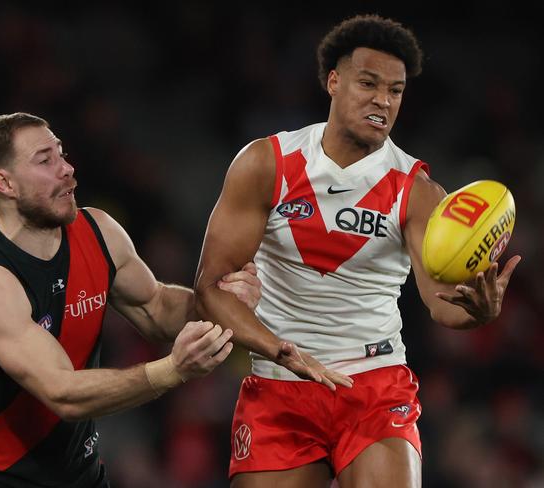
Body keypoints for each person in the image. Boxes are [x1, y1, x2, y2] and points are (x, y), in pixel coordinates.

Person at [194, 14, 521, 488]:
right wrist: (279, 350)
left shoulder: (418, 190)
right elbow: (210, 288)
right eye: (368, 83)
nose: (382, 101)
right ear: (333, 81)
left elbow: (442, 305)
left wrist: (479, 314)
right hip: (279, 385)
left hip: (375, 384)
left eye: (395, 90)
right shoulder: (268, 164)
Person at [0, 112, 263, 488]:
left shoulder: (98, 229)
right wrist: (173, 369)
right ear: (5, 183)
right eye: (45, 160)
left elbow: (155, 309)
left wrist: (220, 301)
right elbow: (63, 393)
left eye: (62, 154)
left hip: (78, 476)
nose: (67, 168)